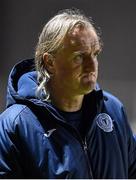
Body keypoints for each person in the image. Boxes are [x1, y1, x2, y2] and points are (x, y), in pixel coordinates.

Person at [0, 8, 136, 179]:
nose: (91, 67)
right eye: (79, 57)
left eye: (95, 54)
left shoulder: (113, 111)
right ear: (49, 62)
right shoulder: (15, 125)